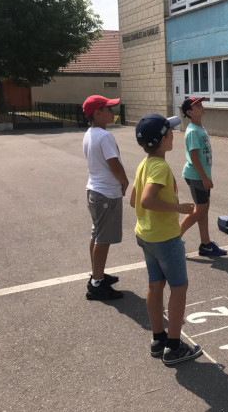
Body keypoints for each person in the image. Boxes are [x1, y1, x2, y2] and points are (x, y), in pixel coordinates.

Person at [130, 113, 203, 365]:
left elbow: (133, 200)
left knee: (155, 285)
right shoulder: (160, 167)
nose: (173, 134)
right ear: (163, 140)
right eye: (170, 132)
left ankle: (158, 338)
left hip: (146, 235)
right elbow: (145, 200)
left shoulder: (145, 163)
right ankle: (173, 346)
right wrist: (179, 209)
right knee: (179, 288)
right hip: (165, 239)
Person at [82, 95, 129, 301]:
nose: (113, 112)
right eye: (108, 109)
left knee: (97, 235)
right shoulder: (104, 136)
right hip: (106, 194)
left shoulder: (90, 133)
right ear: (97, 113)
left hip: (95, 191)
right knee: (103, 239)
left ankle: (97, 275)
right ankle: (97, 283)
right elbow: (114, 164)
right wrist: (125, 182)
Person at [179, 97, 227, 256]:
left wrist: (206, 176)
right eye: (197, 105)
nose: (201, 106)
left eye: (201, 104)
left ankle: (205, 244)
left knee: (203, 210)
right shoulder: (192, 131)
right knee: (200, 210)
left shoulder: (199, 128)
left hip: (201, 176)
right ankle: (173, 239)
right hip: (196, 176)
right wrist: (204, 178)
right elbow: (193, 156)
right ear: (189, 113)